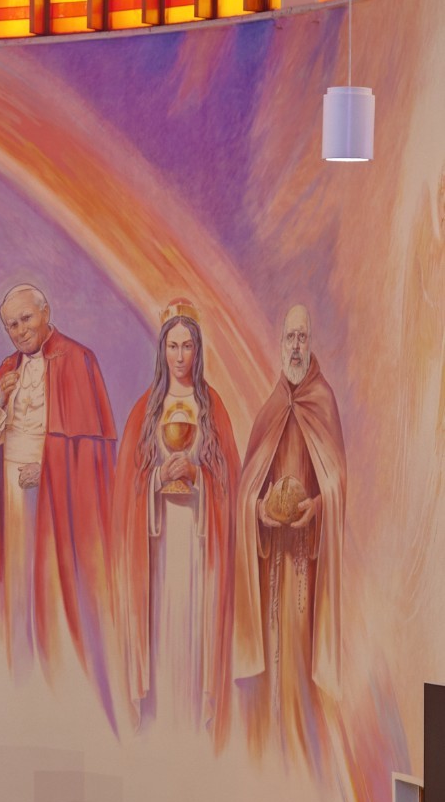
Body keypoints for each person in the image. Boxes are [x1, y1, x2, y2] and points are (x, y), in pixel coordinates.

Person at [0, 283, 117, 714]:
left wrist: (49, 469)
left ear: (46, 312)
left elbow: (92, 448)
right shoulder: (8, 368)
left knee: (55, 587)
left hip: (60, 497)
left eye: (26, 319)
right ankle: (22, 691)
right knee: (18, 585)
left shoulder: (78, 359)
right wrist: (1, 398)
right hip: (15, 496)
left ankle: (62, 693)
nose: (20, 331)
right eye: (11, 325)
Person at [111, 300, 240, 736]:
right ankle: (160, 725)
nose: (180, 356)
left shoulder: (212, 407)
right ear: (162, 350)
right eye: (172, 346)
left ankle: (193, 725)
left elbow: (230, 481)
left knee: (194, 630)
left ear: (197, 350)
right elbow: (126, 486)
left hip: (199, 541)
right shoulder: (146, 410)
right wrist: (157, 478)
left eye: (187, 346)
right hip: (158, 541)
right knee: (161, 627)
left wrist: (198, 476)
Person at [235, 305, 346, 765]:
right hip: (271, 561)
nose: (296, 346)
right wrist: (259, 510)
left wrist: (315, 508)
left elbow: (337, 482)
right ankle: (268, 753)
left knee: (299, 655)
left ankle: (302, 754)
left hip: (305, 559)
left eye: (302, 337)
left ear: (311, 342)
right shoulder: (272, 406)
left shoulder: (323, 401)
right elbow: (248, 486)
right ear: (280, 344)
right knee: (271, 651)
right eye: (289, 338)